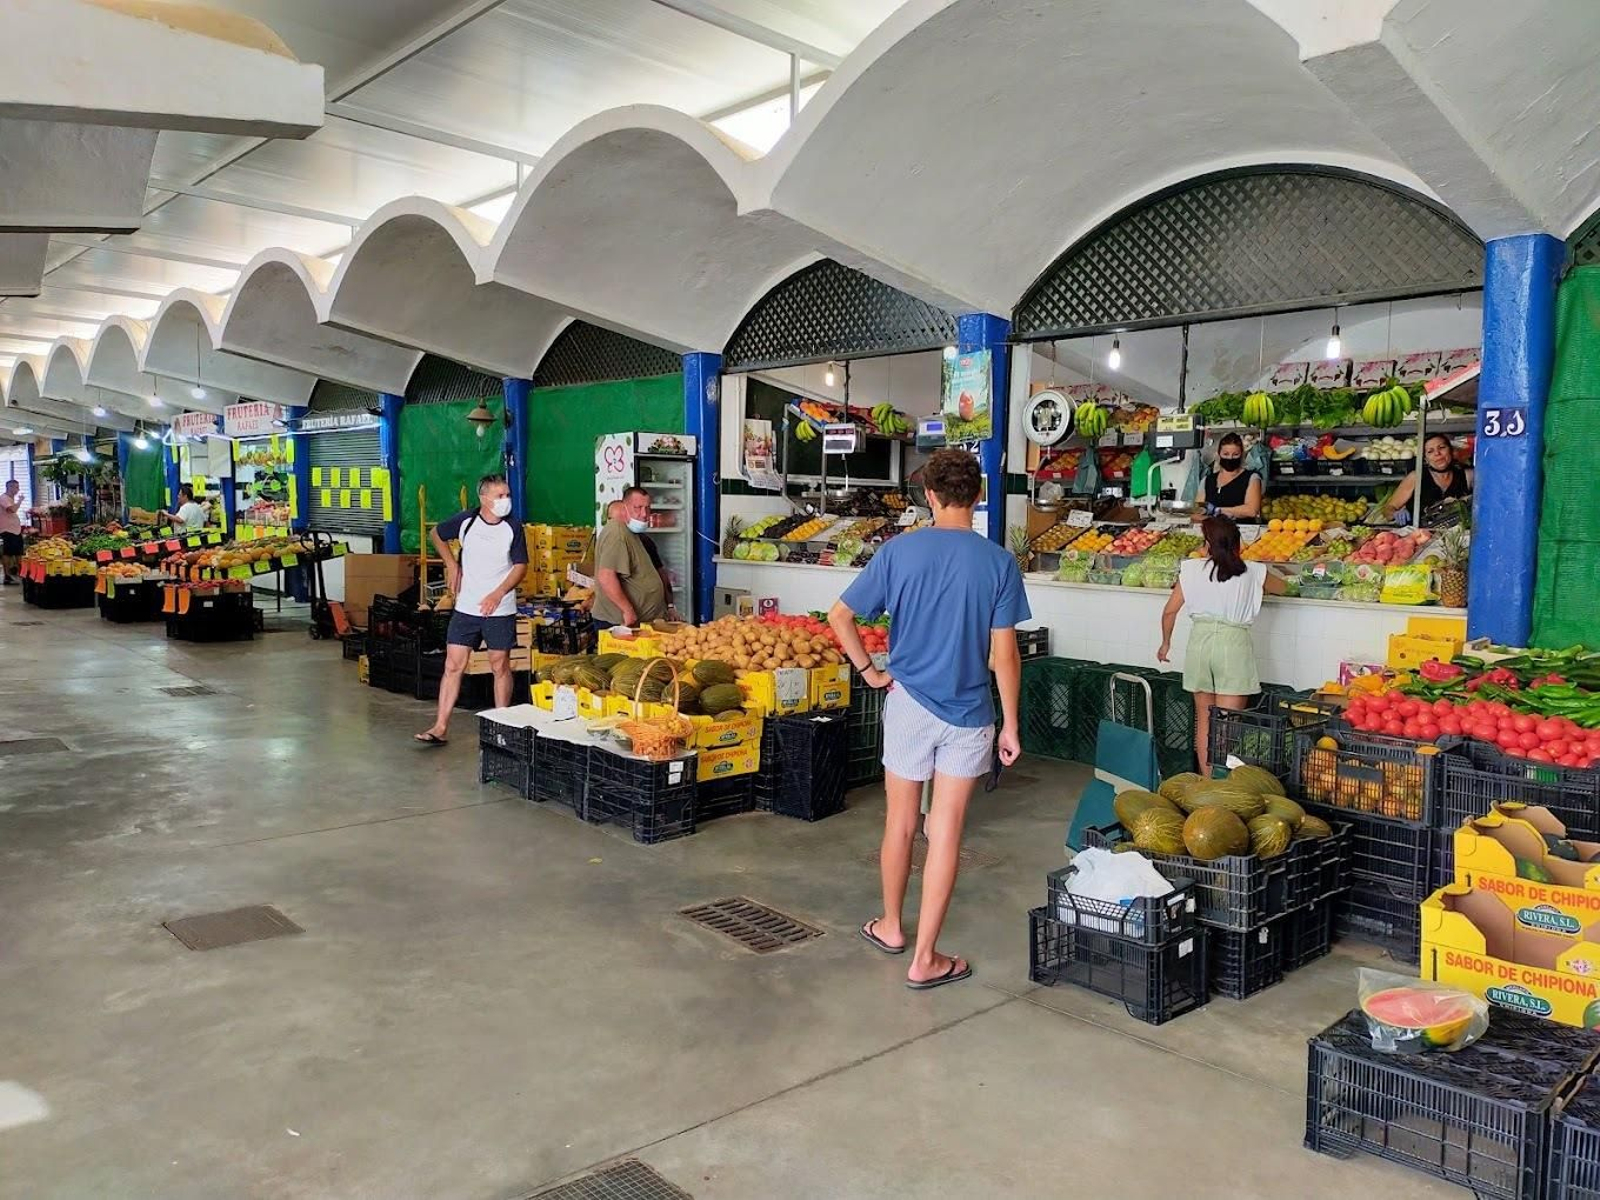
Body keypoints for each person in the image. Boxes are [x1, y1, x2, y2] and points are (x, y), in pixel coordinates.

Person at [829, 449, 1029, 991]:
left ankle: (891, 926)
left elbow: (840, 615)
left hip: (909, 704)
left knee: (900, 822)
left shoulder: (899, 551)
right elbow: (1004, 655)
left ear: (931, 497)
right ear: (980, 496)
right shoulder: (998, 563)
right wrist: (1010, 725)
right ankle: (925, 959)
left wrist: (870, 671)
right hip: (970, 715)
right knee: (945, 833)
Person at [1158, 515, 1286, 777]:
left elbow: (1170, 611)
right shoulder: (1253, 570)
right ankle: (1225, 782)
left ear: (1207, 544)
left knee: (1204, 720)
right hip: (1233, 644)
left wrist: (1166, 643)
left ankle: (1208, 783)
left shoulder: (1191, 569)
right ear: (1238, 544)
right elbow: (1284, 588)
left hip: (1199, 645)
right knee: (1227, 722)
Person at [415, 474, 527, 746]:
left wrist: (497, 594)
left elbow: (520, 567)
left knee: (499, 665)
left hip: (500, 609)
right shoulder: (467, 521)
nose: (506, 501)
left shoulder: (513, 527)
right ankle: (440, 726)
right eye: (500, 496)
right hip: (466, 607)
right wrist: (452, 565)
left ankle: (502, 726)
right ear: (484, 498)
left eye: (507, 495)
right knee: (453, 665)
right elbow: (436, 534)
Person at [592, 486, 668, 628]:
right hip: (621, 623)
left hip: (643, 622)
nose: (644, 514)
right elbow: (606, 577)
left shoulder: (631, 532)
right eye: (638, 508)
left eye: (647, 508)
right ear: (624, 507)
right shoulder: (617, 533)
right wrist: (627, 610)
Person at [1383, 432, 1472, 522]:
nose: (1437, 453)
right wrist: (1395, 513)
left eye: (1442, 447)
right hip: (1420, 533)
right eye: (1430, 451)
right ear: (1425, 459)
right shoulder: (1416, 477)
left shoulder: (1467, 476)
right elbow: (1388, 509)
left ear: (1451, 451)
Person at [1194, 432, 1263, 522]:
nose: (1230, 458)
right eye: (1226, 454)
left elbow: (1252, 510)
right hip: (1212, 532)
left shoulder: (1252, 478)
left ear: (1241, 455)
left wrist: (1218, 511)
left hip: (1241, 533)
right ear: (1219, 454)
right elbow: (1197, 512)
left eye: (1235, 454)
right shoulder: (1207, 480)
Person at [0, 479, 23, 585]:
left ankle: (21, 573)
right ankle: (7, 576)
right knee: (8, 553)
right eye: (15, 487)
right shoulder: (4, 498)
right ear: (9, 487)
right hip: (8, 530)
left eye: (18, 487)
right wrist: (20, 501)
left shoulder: (10, 498)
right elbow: (12, 510)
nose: (17, 489)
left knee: (18, 553)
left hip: (15, 531)